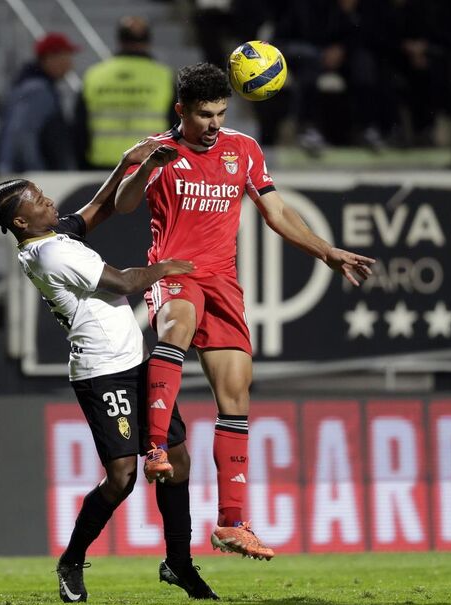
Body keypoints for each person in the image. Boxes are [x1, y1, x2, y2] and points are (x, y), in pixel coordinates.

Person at [114, 63, 375, 560]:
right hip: (173, 271)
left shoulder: (245, 150)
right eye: (204, 115)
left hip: (223, 283)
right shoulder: (159, 151)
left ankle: (231, 523)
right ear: (181, 111)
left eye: (220, 113)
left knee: (236, 397)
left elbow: (276, 212)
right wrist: (145, 166)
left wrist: (326, 251)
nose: (214, 123)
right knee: (177, 326)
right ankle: (155, 447)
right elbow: (125, 205)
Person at [0, 139, 219, 602]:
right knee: (122, 477)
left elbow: (99, 209)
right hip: (103, 372)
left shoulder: (50, 239)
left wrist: (129, 164)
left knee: (177, 459)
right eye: (38, 200)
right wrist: (168, 267)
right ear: (20, 222)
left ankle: (179, 563)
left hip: (136, 363)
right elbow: (125, 282)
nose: (49, 201)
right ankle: (71, 561)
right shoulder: (54, 254)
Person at [74, 16, 176, 170]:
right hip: (149, 165)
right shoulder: (164, 76)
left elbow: (79, 126)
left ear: (120, 40)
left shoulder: (94, 75)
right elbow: (177, 124)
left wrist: (82, 164)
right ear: (148, 42)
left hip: (102, 166)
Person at [0, 32, 80, 174]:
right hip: (35, 177)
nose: (70, 65)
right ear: (50, 58)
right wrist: (37, 176)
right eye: (66, 57)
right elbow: (24, 138)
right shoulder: (37, 91)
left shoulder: (31, 86)